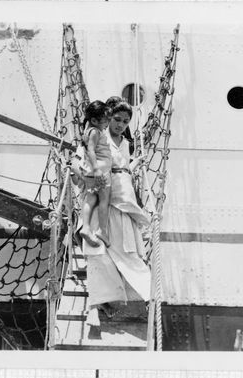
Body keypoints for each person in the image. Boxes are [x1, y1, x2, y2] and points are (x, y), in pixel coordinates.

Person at [82, 98, 151, 326]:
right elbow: (86, 161)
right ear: (108, 118)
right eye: (117, 119)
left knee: (126, 250)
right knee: (98, 253)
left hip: (124, 195)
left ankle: (140, 294)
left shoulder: (125, 142)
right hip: (105, 197)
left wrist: (135, 164)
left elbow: (123, 168)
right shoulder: (99, 136)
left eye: (125, 121)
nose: (121, 124)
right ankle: (94, 305)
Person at [79, 100, 112, 248]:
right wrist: (97, 169)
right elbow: (91, 150)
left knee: (90, 198)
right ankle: (102, 231)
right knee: (104, 200)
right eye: (105, 121)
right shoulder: (95, 132)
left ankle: (86, 227)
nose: (107, 124)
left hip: (90, 172)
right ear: (94, 120)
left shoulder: (88, 131)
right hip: (100, 171)